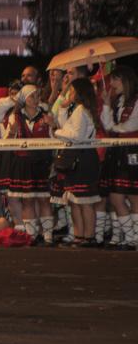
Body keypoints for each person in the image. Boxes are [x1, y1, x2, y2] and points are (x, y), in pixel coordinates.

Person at [0, 84, 54, 243]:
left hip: (42, 161)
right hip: (22, 162)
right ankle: (32, 235)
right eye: (32, 96)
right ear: (24, 98)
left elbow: (55, 137)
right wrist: (12, 132)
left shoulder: (46, 115)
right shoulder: (15, 116)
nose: (36, 99)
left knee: (44, 200)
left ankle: (48, 236)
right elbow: (7, 142)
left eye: (38, 96)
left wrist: (53, 125)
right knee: (27, 201)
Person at [54, 77, 104, 246]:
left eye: (72, 90)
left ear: (79, 92)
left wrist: (56, 132)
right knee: (74, 200)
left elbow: (77, 136)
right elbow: (66, 127)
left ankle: (88, 237)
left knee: (85, 200)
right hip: (78, 155)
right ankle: (79, 236)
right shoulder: (78, 109)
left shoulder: (81, 110)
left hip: (83, 156)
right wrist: (62, 108)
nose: (70, 93)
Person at [100, 65, 138, 250]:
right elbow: (107, 125)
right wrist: (106, 104)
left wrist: (114, 129)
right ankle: (131, 238)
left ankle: (134, 239)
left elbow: (130, 126)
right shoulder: (118, 101)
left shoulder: (136, 100)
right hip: (117, 152)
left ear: (126, 80)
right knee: (116, 197)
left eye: (115, 79)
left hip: (132, 151)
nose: (112, 83)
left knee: (134, 196)